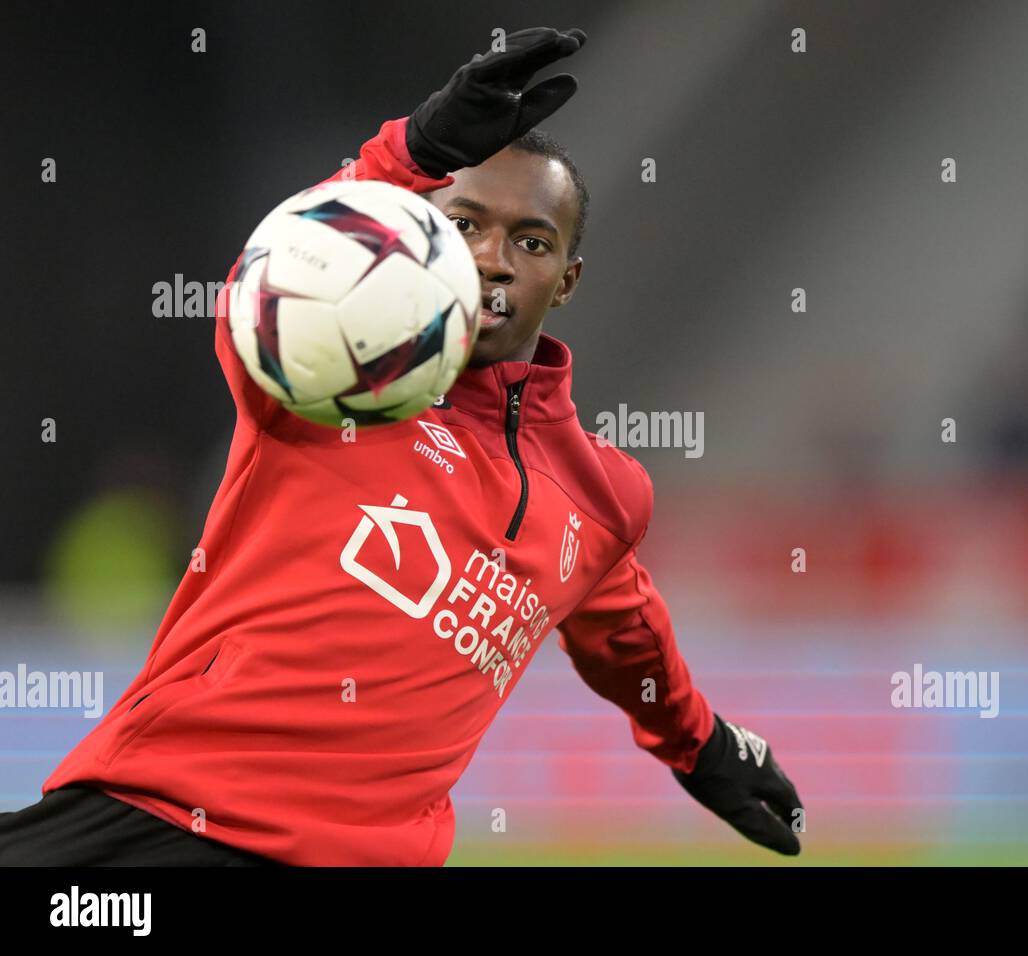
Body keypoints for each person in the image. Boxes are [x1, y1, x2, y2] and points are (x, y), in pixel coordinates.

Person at [0, 27, 802, 867]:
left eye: (531, 242)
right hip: (160, 821)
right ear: (421, 237)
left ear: (565, 279)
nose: (493, 259)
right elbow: (277, 281)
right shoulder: (335, 389)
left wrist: (702, 747)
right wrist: (413, 149)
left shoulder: (603, 496)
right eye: (465, 225)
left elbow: (630, 643)